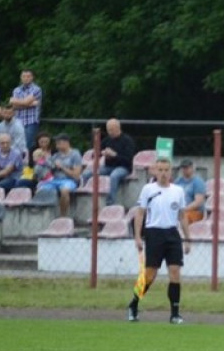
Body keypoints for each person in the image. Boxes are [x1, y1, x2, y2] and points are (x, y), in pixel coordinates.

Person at [127, 158, 191, 324]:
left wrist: (188, 239)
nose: (163, 173)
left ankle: (175, 313)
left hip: (172, 233)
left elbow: (182, 216)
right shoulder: (148, 189)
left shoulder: (178, 191)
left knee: (175, 272)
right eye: (160, 170)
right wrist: (137, 237)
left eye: (166, 170)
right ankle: (134, 303)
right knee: (150, 274)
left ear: (171, 172)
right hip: (154, 233)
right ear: (155, 171)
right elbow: (140, 213)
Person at [81, 118, 135, 206]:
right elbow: (94, 154)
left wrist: (115, 155)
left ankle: (110, 203)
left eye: (111, 130)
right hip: (108, 167)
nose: (110, 132)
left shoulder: (127, 141)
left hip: (123, 167)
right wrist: (101, 153)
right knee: (87, 174)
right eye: (108, 130)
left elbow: (128, 159)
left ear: (118, 128)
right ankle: (85, 198)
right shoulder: (107, 140)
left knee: (114, 176)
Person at [37, 133, 83, 217]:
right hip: (55, 180)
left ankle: (63, 216)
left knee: (64, 190)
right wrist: (43, 160)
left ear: (66, 143)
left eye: (58, 142)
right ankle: (43, 216)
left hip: (70, 180)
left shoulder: (75, 154)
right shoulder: (56, 155)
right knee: (41, 189)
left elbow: (76, 175)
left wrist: (62, 167)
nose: (56, 145)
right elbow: (48, 168)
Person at [11, 69, 43, 152]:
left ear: (32, 77)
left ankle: (27, 163)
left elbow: (20, 103)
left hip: (31, 121)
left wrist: (18, 102)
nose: (26, 78)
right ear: (21, 78)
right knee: (17, 144)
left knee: (28, 145)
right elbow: (14, 106)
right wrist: (29, 104)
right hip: (18, 121)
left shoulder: (36, 89)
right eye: (24, 76)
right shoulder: (16, 90)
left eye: (28, 76)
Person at [174, 159, 206, 223]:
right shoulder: (178, 181)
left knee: (183, 217)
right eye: (183, 168)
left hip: (195, 212)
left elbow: (198, 202)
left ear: (192, 168)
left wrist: (184, 209)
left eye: (187, 168)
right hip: (180, 211)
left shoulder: (198, 182)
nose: (184, 170)